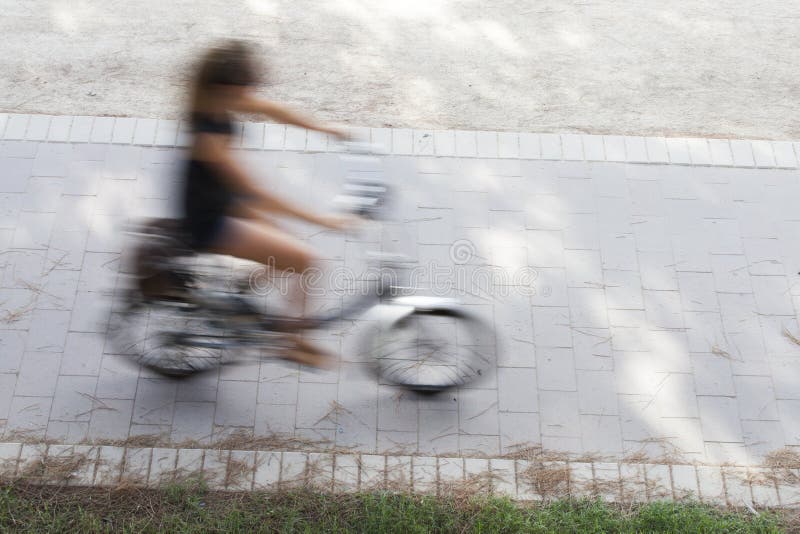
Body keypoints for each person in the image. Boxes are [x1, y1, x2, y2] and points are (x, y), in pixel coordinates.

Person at [180, 40, 353, 367]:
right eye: (245, 86)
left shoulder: (215, 101)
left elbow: (272, 110)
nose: (251, 93)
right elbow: (255, 193)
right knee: (306, 262)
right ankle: (293, 342)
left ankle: (239, 289)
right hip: (209, 220)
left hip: (221, 201)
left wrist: (323, 128)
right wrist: (322, 220)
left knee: (284, 249)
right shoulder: (207, 138)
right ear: (224, 86)